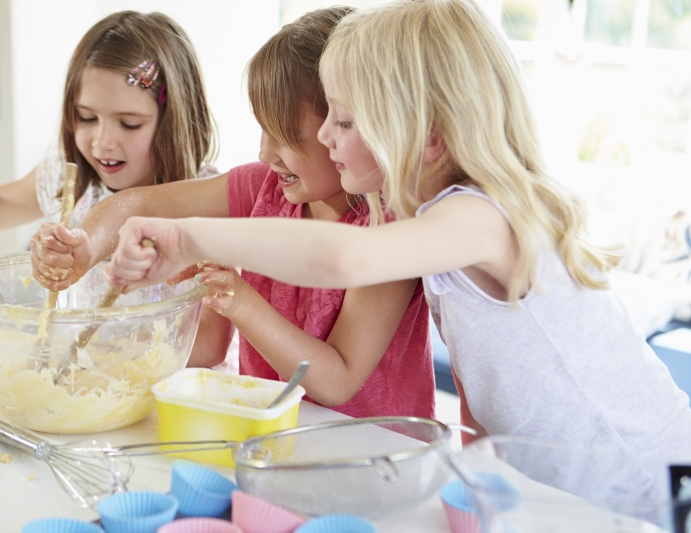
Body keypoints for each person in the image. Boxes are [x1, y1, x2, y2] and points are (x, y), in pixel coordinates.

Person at [104, 0, 691, 481]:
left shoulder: (482, 217)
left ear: (426, 137)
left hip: (643, 474)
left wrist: (189, 239)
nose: (327, 136)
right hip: (553, 478)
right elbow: (486, 372)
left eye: (345, 119)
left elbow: (342, 259)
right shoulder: (421, 220)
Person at [30, 7, 436, 419]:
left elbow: (338, 380)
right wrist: (84, 248)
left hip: (369, 451)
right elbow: (134, 203)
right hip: (268, 435)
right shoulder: (263, 187)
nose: (264, 152)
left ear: (355, 124)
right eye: (263, 129)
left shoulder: (390, 227)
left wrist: (239, 301)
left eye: (287, 137)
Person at [0, 11, 217, 232]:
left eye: (129, 124)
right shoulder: (70, 184)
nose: (102, 141)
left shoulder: (210, 200)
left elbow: (212, 329)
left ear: (174, 119)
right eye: (86, 117)